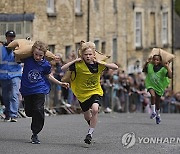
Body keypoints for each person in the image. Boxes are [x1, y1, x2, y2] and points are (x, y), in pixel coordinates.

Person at [61, 41, 118, 144]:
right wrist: (74, 61)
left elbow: (115, 67)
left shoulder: (99, 65)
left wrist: (102, 63)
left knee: (95, 109)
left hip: (95, 91)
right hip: (82, 94)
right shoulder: (78, 65)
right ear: (82, 55)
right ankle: (91, 125)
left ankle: (90, 134)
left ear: (94, 55)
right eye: (86, 54)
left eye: (90, 54)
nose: (88, 56)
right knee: (87, 116)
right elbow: (63, 68)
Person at [19, 41, 69, 144]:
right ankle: (34, 117)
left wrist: (60, 83)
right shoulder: (27, 60)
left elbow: (48, 75)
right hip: (27, 90)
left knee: (38, 109)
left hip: (39, 89)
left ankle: (35, 133)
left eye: (40, 55)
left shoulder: (45, 64)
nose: (37, 57)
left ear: (44, 55)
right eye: (36, 54)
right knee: (29, 112)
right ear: (32, 52)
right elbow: (16, 57)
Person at [142, 54, 172, 124]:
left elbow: (170, 76)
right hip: (150, 84)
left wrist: (167, 67)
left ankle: (158, 115)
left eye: (157, 60)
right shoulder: (150, 66)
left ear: (160, 61)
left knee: (157, 103)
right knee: (152, 96)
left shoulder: (163, 69)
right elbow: (143, 70)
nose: (155, 61)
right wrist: (146, 62)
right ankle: (153, 112)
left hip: (159, 87)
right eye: (154, 59)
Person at [0, 30, 22, 122]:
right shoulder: (1, 49)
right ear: (6, 37)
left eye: (12, 36)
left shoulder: (19, 48)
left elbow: (21, 60)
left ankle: (13, 115)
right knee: (5, 96)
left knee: (14, 94)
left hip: (15, 75)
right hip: (3, 76)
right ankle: (8, 113)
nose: (11, 38)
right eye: (9, 36)